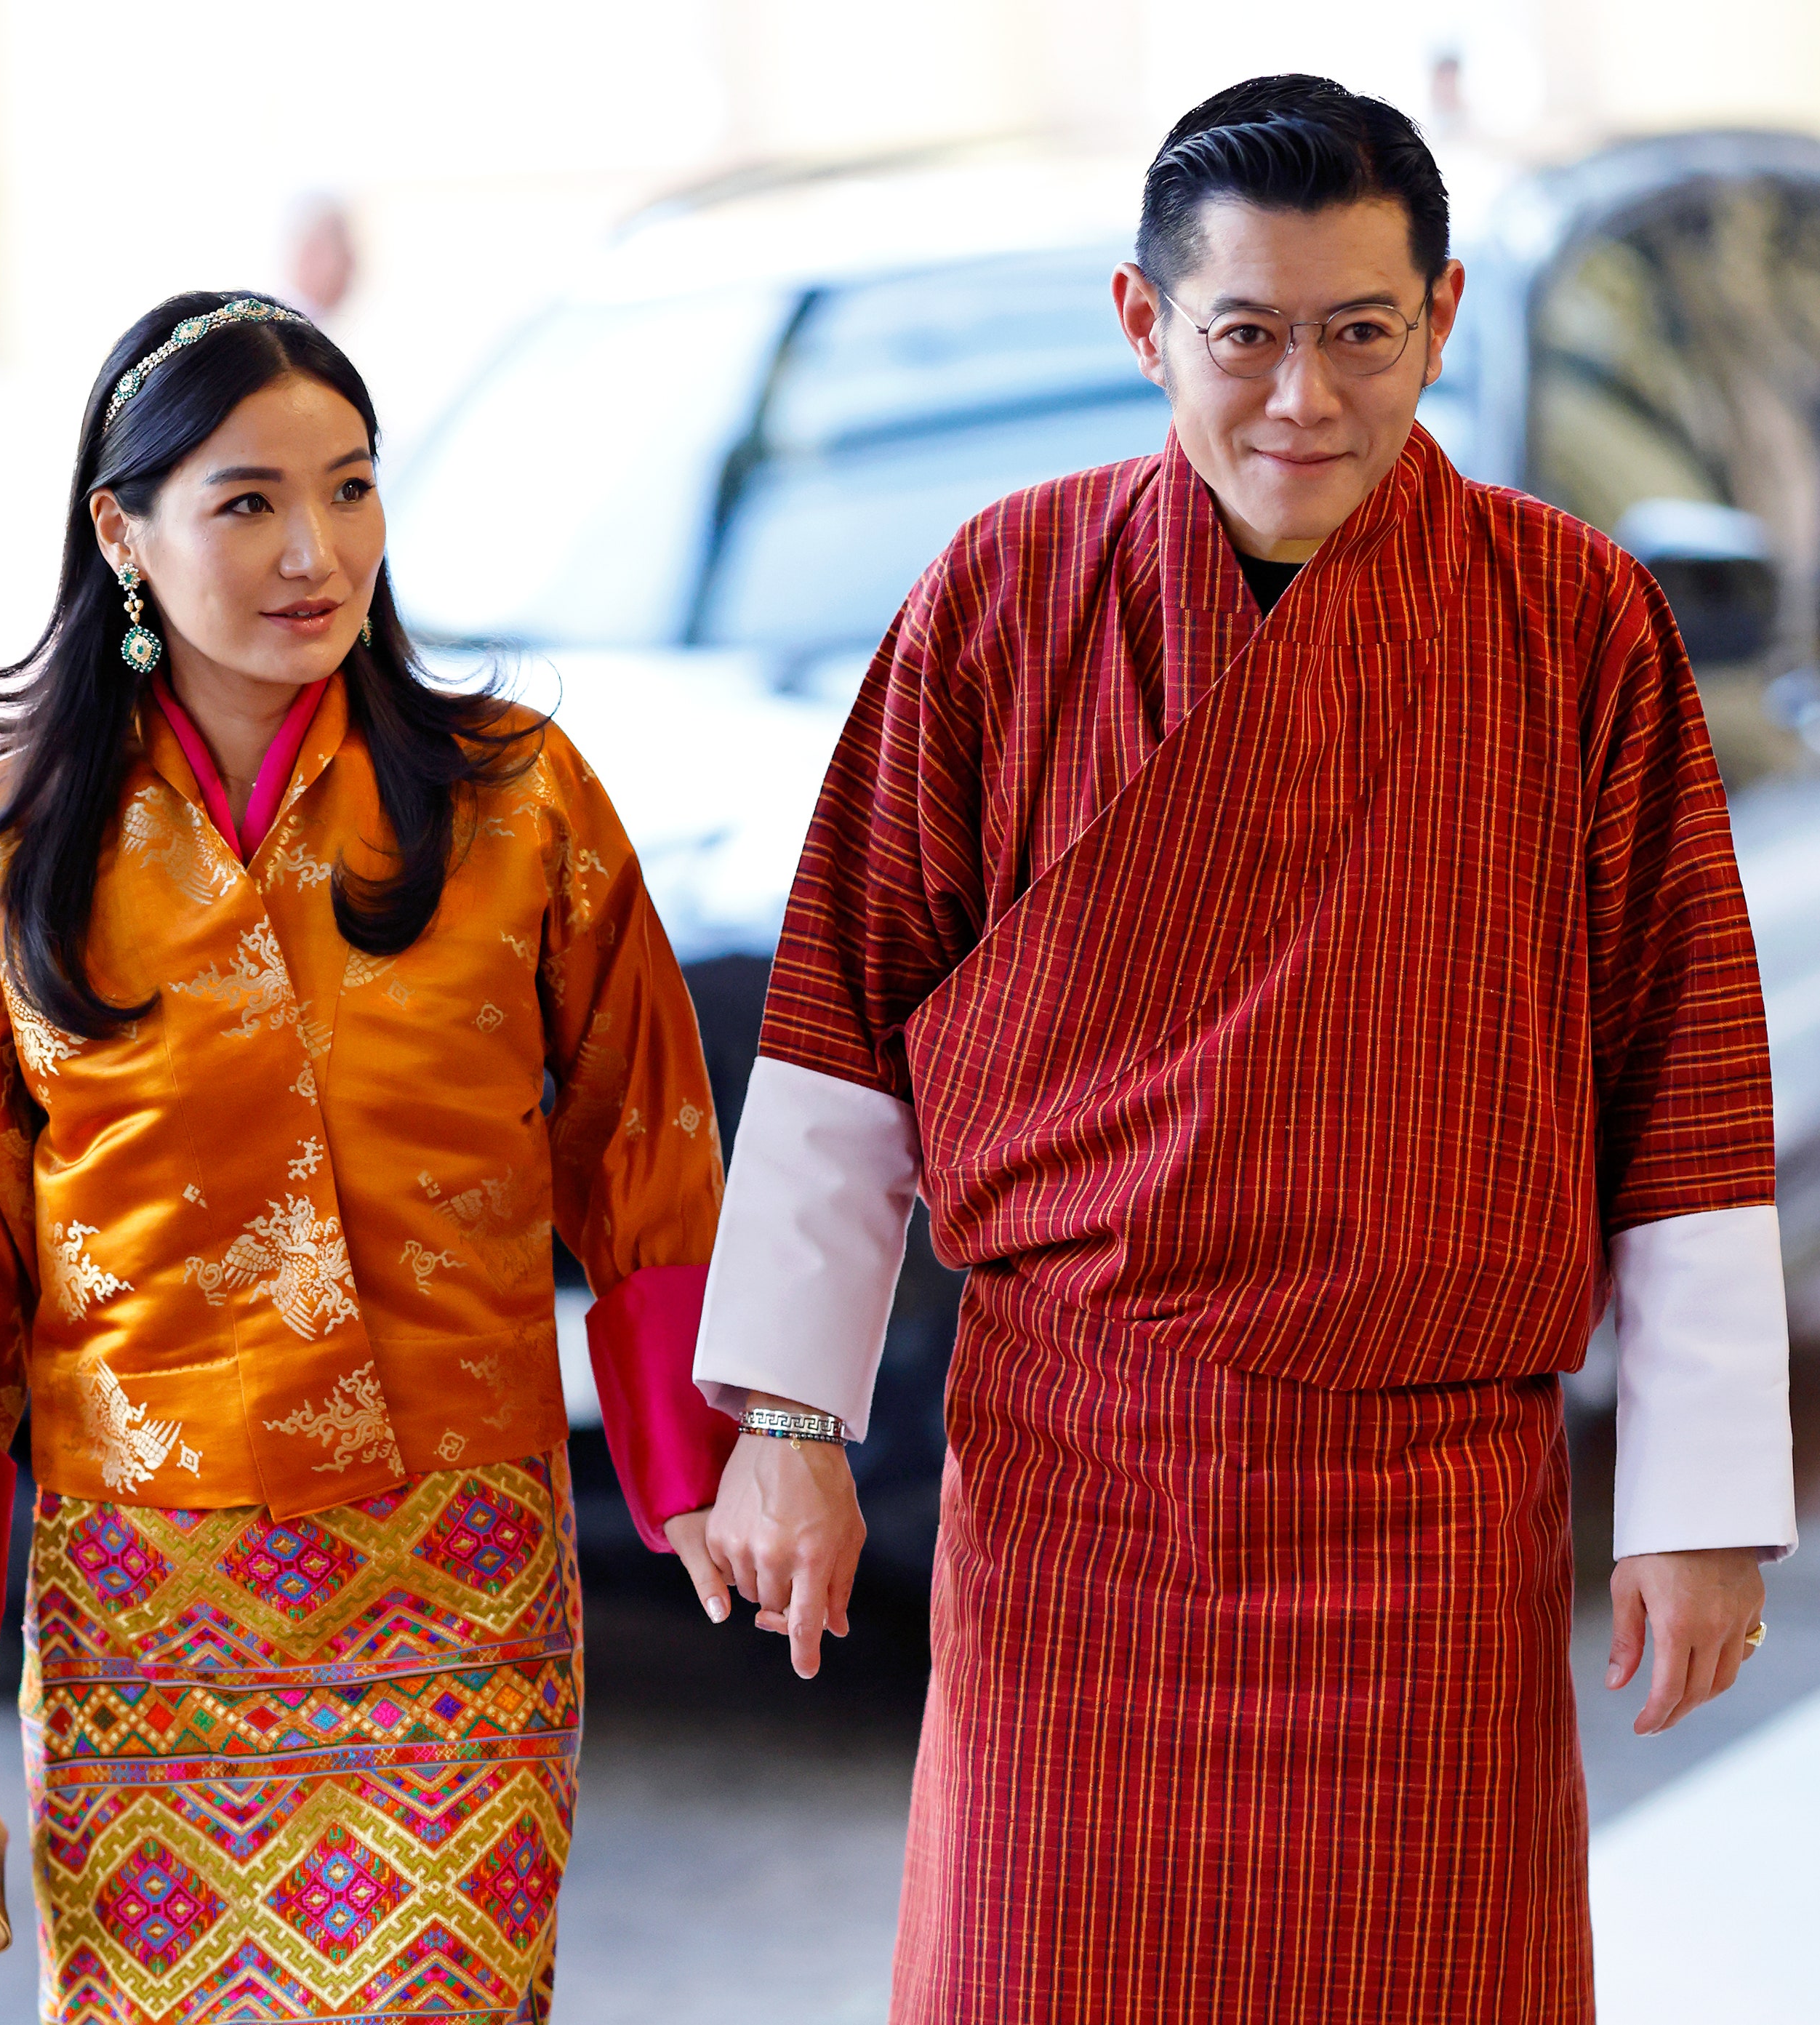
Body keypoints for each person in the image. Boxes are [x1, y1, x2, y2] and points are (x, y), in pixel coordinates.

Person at [691, 76, 1795, 2024]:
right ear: (1144, 325)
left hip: (1432, 1501)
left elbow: (1684, 1074)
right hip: (1079, 1487)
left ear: (1438, 321)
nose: (1304, 399)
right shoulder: (1001, 598)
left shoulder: (1575, 625)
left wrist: (1700, 1505)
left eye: (1360, 337)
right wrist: (786, 1424)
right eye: (1248, 338)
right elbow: (843, 1018)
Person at [0, 291, 736, 2023]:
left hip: (455, 1574)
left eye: (351, 488)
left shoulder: (518, 801)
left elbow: (649, 1136)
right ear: (124, 531)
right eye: (246, 501)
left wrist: (700, 1464)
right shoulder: (5, 857)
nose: (314, 549)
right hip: (144, 1593)